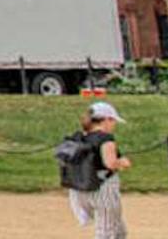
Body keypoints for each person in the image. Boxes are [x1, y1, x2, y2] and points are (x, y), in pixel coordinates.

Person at [68, 101, 132, 239]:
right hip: (103, 188)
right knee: (107, 233)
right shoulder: (105, 138)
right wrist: (124, 162)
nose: (114, 125)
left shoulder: (80, 137)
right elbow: (110, 163)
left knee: (119, 231)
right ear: (106, 120)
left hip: (80, 189)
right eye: (113, 121)